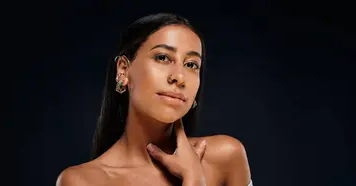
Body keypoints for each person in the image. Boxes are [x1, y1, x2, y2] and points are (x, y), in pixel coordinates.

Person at [56, 13, 252, 186]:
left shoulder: (226, 157)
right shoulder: (81, 181)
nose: (179, 77)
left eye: (191, 64)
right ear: (124, 70)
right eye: (163, 58)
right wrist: (194, 180)